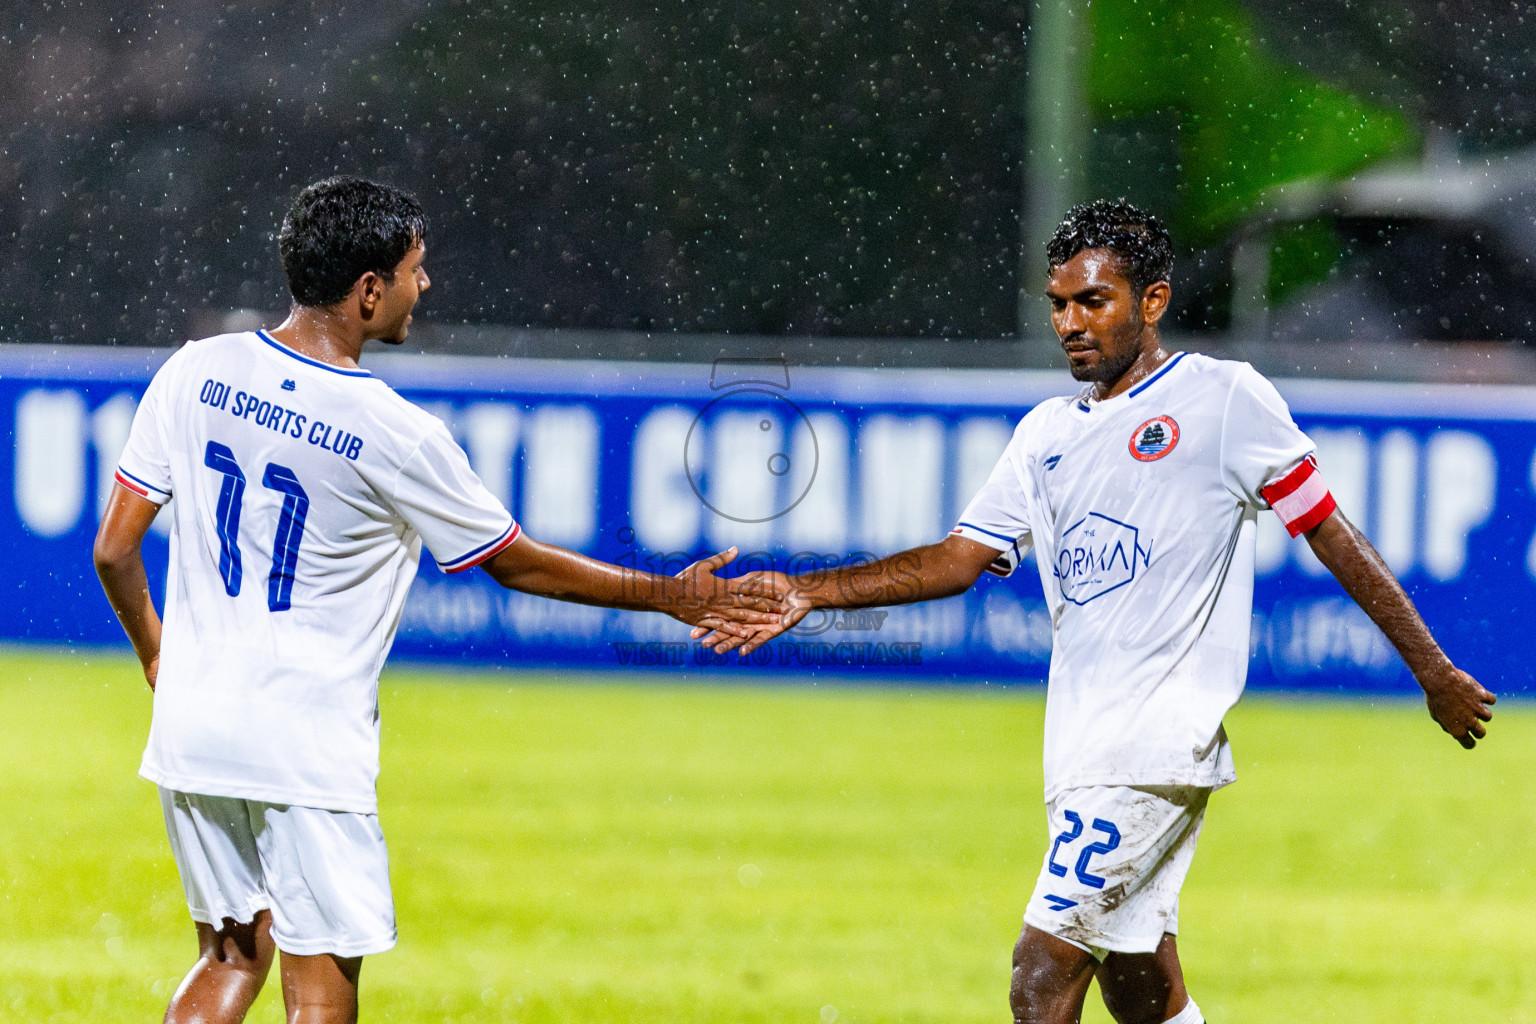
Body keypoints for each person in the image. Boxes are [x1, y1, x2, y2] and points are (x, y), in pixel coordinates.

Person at [698, 199, 1496, 1024]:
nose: (1070, 323)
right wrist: (808, 591)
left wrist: (1431, 670)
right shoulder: (1046, 433)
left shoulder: (1222, 399)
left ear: (1151, 301)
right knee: (1141, 988)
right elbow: (954, 560)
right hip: (1080, 747)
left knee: (1040, 974)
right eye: (1058, 304)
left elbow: (1328, 529)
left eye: (1093, 301)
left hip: (1153, 748)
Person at [92, 175, 780, 1024]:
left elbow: (115, 548)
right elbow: (516, 564)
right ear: (368, 290)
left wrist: (158, 651)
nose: (427, 285)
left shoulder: (199, 369)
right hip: (304, 739)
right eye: (416, 269)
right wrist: (669, 594)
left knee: (230, 958)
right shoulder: (392, 430)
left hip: (194, 725)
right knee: (319, 991)